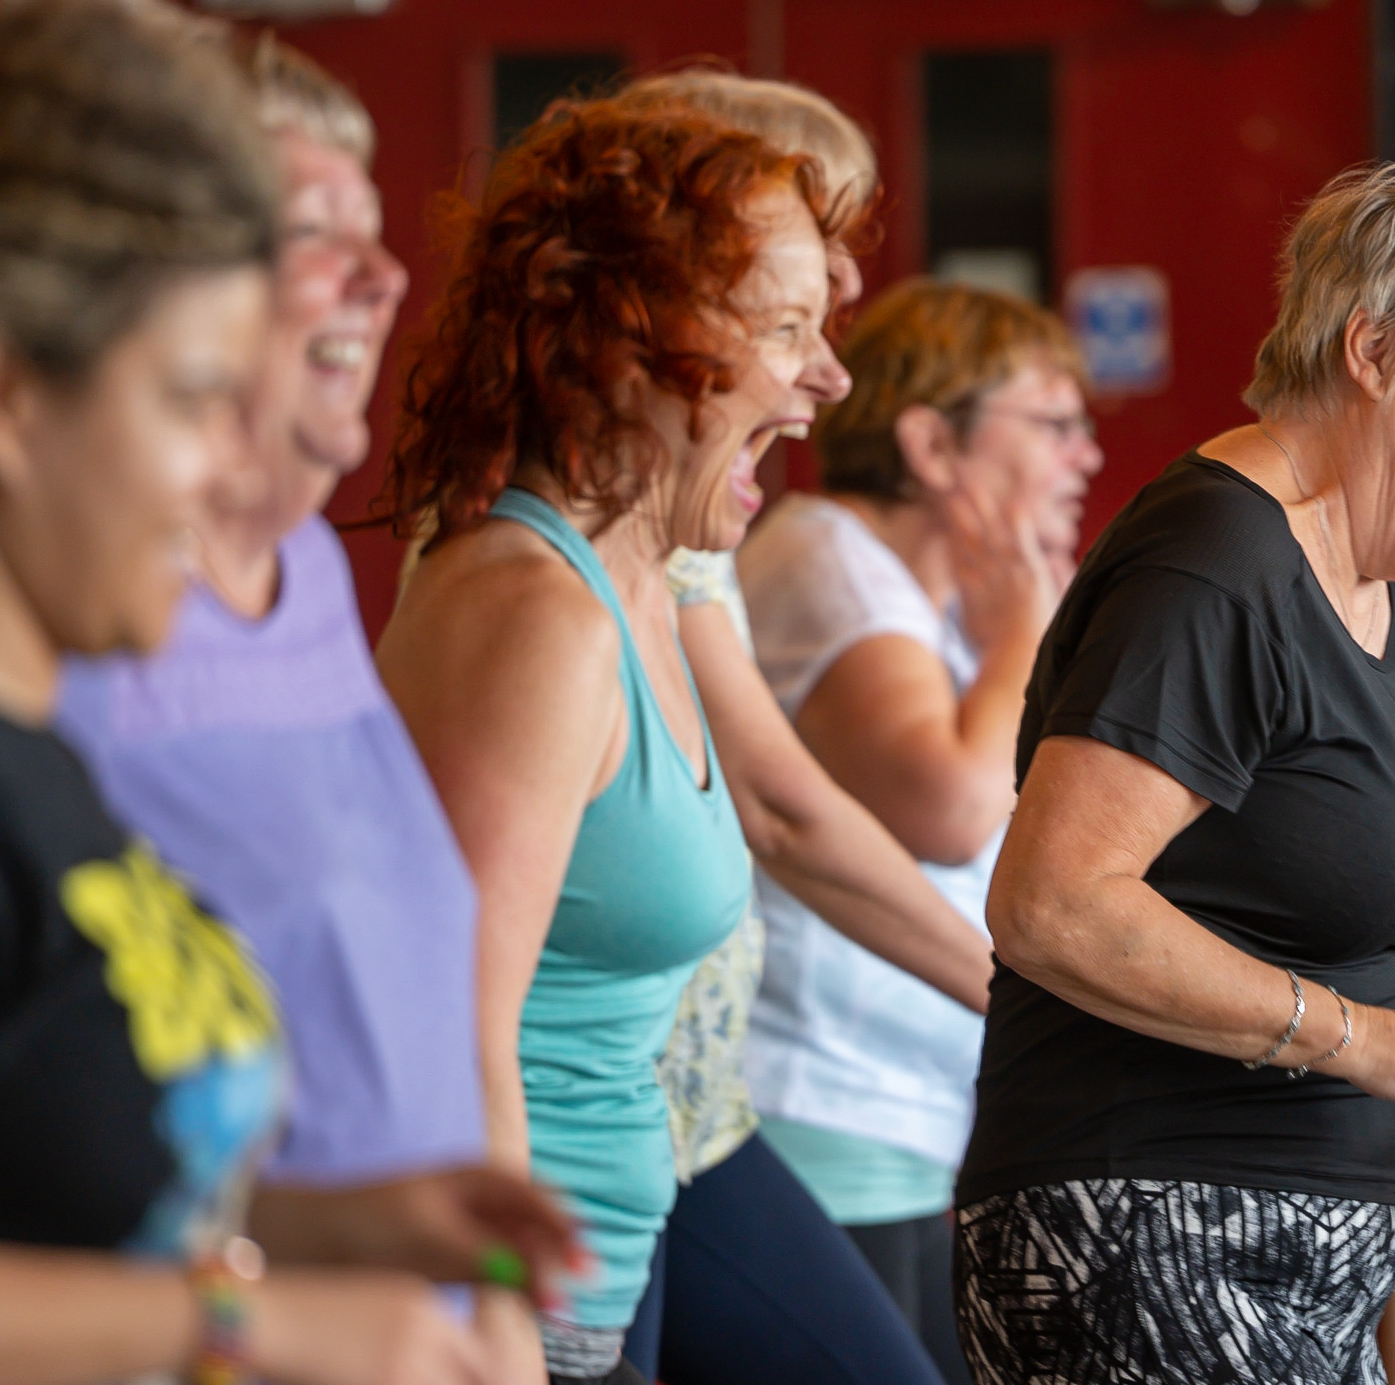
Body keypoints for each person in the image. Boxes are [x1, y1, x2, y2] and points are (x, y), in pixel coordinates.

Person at [956, 162, 1395, 1385]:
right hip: (1144, 1230)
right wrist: (1366, 1042)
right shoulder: (1216, 564)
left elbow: (1363, 908)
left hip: (1295, 1256)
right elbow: (1052, 902)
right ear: (1375, 348)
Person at [54, 29, 581, 1368]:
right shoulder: (59, 656)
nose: (386, 272)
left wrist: (420, 1272)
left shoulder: (301, 565)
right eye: (311, 231)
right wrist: (250, 1315)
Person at [375, 97, 848, 1385]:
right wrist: (496, 1333)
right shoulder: (536, 614)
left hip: (608, 1260)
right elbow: (449, 1030)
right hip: (525, 1298)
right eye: (788, 328)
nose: (828, 377)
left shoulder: (646, 586)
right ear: (638, 336)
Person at [611, 70, 995, 1385]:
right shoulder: (599, 541)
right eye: (810, 238)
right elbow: (795, 809)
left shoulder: (694, 530)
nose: (842, 288)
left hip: (700, 1114)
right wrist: (1032, 1000)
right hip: (620, 1119)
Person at [735, 277, 1101, 1384]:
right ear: (932, 444)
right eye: (1053, 423)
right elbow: (946, 806)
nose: (1084, 455)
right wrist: (1024, 634)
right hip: (815, 1108)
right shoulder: (825, 555)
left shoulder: (915, 592)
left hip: (894, 1118)